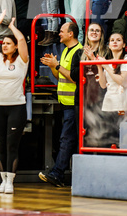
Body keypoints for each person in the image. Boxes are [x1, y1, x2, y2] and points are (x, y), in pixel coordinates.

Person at [0, 11, 28, 195]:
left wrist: (11, 27)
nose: (4, 45)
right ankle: (3, 180)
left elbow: (23, 40)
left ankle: (11, 181)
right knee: (1, 144)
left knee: (11, 145)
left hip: (17, 107)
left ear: (15, 47)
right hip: (0, 108)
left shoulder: (22, 61)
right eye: (3, 43)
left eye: (8, 43)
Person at [38, 21, 82, 187]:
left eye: (62, 31)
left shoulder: (78, 52)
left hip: (74, 104)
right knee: (66, 139)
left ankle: (57, 173)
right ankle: (60, 173)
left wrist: (57, 65)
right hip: (64, 103)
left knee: (66, 139)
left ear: (71, 34)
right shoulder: (65, 51)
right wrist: (53, 66)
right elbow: (60, 77)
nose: (59, 34)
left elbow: (74, 77)